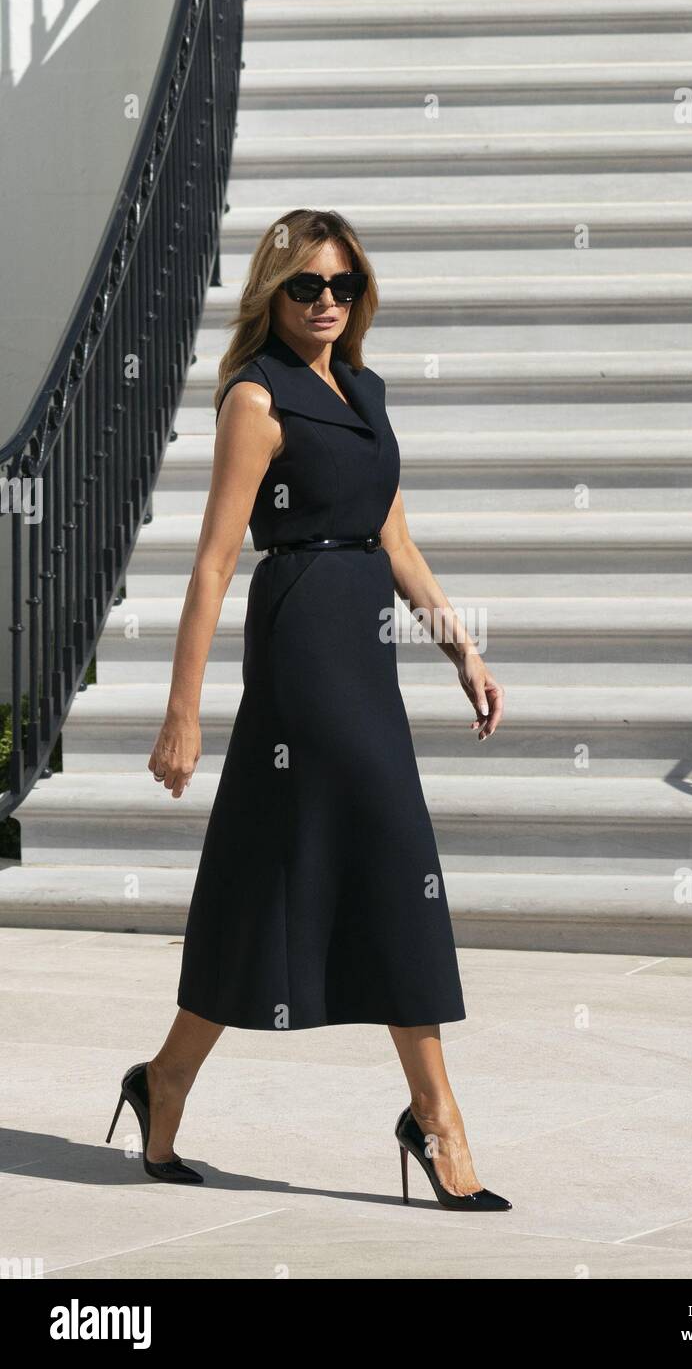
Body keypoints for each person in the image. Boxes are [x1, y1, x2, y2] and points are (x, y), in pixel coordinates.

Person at [106, 209, 510, 1211]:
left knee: (259, 879)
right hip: (299, 649)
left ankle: (165, 1079)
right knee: (394, 846)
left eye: (341, 286)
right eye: (305, 287)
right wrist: (182, 712)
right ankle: (437, 1115)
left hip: (363, 647)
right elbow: (210, 562)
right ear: (270, 296)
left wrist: (461, 647)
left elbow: (398, 544)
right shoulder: (257, 397)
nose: (326, 301)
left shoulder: (364, 391)